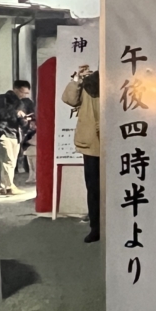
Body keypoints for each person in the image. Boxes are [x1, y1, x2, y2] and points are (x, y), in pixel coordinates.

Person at [62, 64, 101, 243]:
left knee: (113, 188)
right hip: (92, 143)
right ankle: (96, 227)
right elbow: (69, 99)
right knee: (93, 189)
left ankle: (110, 226)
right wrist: (77, 79)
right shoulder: (88, 82)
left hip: (114, 143)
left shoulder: (120, 81)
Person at [0, 80, 32, 196]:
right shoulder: (1, 99)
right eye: (22, 92)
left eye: (26, 93)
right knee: (7, 160)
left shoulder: (21, 103)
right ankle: (8, 186)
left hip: (16, 134)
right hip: (3, 133)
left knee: (12, 162)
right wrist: (15, 113)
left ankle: (6, 186)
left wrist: (24, 119)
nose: (23, 95)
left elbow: (21, 122)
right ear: (16, 89)